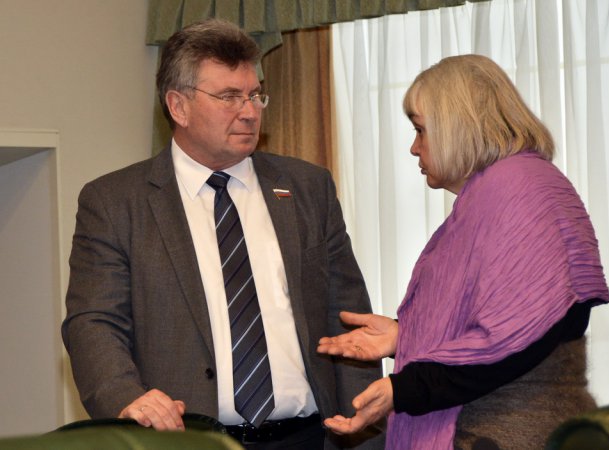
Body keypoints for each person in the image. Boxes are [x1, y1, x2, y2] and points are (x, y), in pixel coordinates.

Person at [62, 18, 384, 450]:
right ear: (178, 106)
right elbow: (94, 322)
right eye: (230, 97)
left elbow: (347, 315)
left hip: (308, 436)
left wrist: (364, 426)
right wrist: (125, 397)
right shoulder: (115, 202)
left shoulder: (308, 187)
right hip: (187, 441)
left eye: (254, 95)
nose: (249, 111)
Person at [317, 54, 609, 450]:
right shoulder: (506, 187)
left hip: (506, 431)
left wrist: (404, 388)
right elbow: (502, 321)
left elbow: (513, 342)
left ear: (456, 127)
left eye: (421, 130)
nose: (414, 148)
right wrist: (406, 335)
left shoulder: (515, 189)